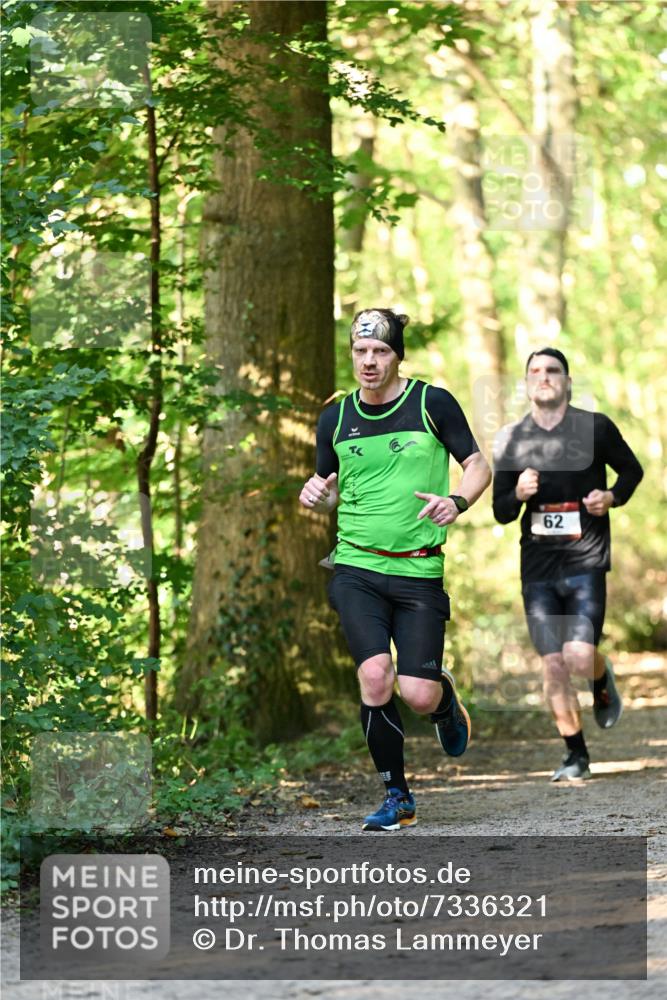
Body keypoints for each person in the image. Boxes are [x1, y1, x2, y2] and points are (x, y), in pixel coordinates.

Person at [299, 308, 491, 830]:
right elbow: (333, 484)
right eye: (360, 352)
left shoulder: (432, 403)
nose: (369, 361)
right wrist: (319, 492)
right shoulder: (334, 418)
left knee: (418, 693)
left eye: (380, 351)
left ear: (396, 355)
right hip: (356, 567)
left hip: (418, 571)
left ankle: (444, 700)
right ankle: (397, 796)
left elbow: (478, 465)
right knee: (375, 674)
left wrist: (457, 500)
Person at [492, 348, 643, 781]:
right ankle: (575, 754)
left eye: (552, 370)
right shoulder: (511, 440)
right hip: (538, 566)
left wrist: (611, 496)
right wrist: (517, 494)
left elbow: (631, 471)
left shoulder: (594, 428)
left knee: (578, 656)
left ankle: (599, 676)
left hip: (586, 559)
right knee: (553, 663)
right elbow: (500, 511)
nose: (544, 377)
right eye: (535, 371)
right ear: (525, 384)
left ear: (568, 381)